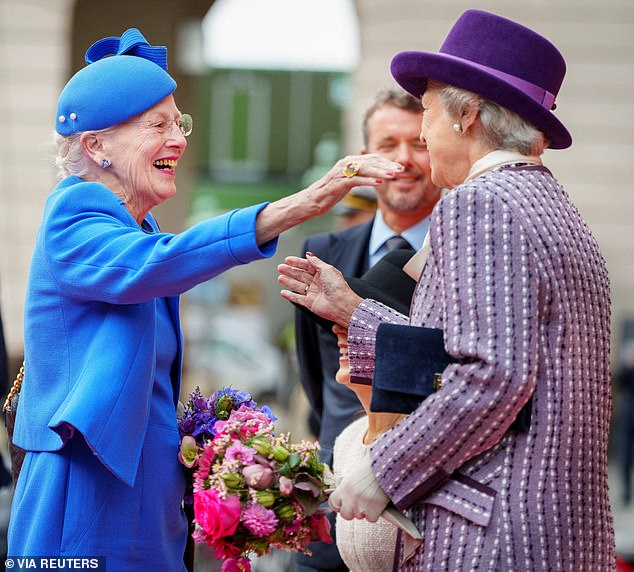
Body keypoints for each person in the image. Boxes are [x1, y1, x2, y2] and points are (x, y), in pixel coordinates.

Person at [6, 28, 401, 569]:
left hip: (145, 490)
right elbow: (162, 264)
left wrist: (218, 450)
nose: (178, 139)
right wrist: (300, 205)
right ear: (96, 146)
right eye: (157, 125)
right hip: (87, 490)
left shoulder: (137, 226)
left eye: (179, 123)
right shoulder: (74, 213)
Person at [279, 9, 615, 570]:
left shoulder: (478, 202)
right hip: (554, 535)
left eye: (428, 113)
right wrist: (355, 311)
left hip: (489, 540)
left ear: (470, 116)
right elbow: (483, 350)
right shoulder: (552, 206)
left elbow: (491, 373)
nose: (424, 132)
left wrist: (382, 468)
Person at [293, 87, 440, 571]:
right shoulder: (322, 249)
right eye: (386, 144)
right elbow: (318, 382)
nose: (403, 160)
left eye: (418, 143)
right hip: (333, 511)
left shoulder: (461, 254)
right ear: (362, 157)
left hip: (426, 517)